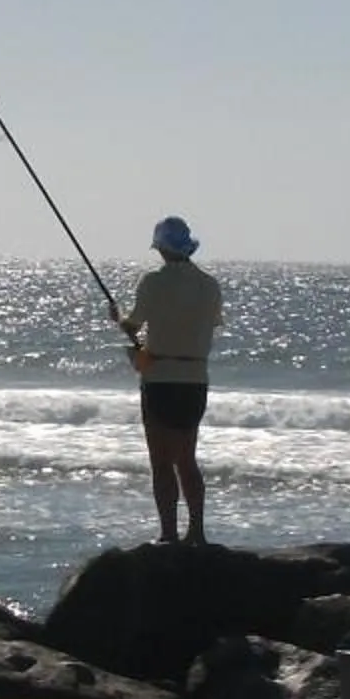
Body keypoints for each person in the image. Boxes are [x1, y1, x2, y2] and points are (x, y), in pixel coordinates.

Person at [112, 214, 224, 547]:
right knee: (186, 460)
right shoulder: (209, 285)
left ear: (161, 248)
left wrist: (117, 318)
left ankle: (168, 534)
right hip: (195, 380)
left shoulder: (152, 282)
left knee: (161, 462)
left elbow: (134, 325)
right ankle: (197, 533)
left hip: (160, 379)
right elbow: (212, 323)